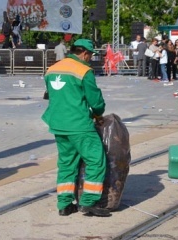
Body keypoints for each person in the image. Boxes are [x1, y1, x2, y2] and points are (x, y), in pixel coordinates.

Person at [42, 39, 110, 217]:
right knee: (96, 159)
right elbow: (95, 102)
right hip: (79, 125)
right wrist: (98, 114)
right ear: (85, 53)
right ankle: (88, 202)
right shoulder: (84, 71)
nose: (90, 59)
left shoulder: (52, 69)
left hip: (58, 124)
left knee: (66, 164)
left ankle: (64, 204)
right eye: (90, 56)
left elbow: (50, 95)